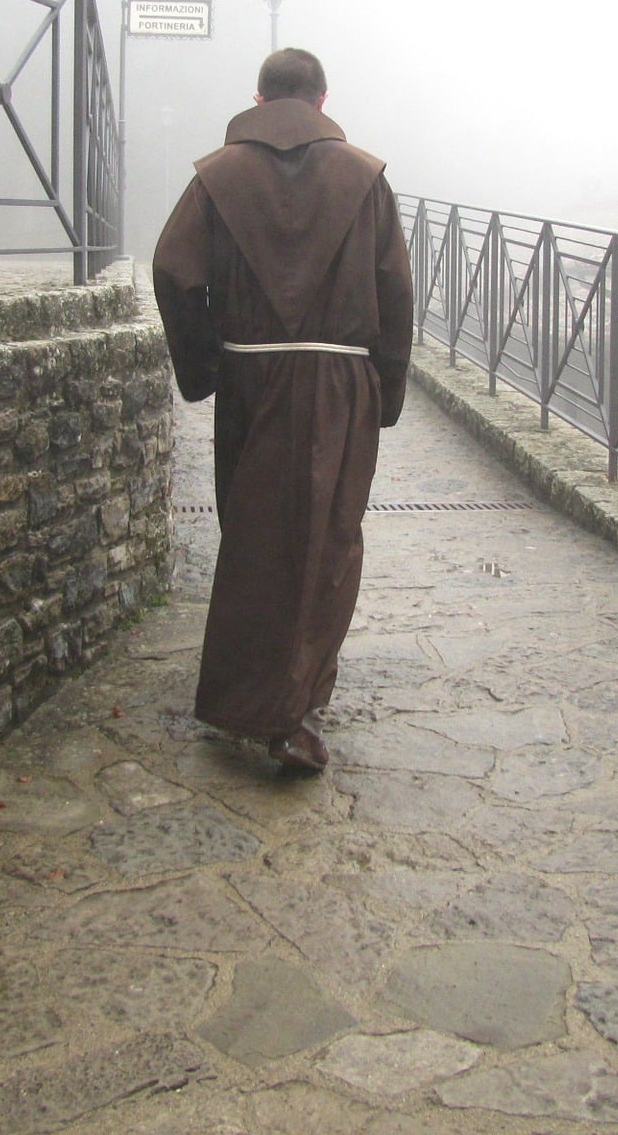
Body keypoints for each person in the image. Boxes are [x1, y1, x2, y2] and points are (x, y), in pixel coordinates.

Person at [153, 48, 413, 772]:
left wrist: (205, 365)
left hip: (251, 375)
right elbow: (395, 291)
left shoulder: (217, 177)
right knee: (326, 539)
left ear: (260, 98)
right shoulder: (366, 178)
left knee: (255, 534)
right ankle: (287, 710)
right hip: (341, 381)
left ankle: (270, 699)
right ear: (322, 100)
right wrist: (386, 392)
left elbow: (174, 272)